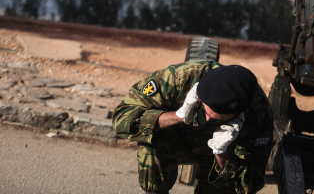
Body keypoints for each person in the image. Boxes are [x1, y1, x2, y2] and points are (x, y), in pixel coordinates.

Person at [112, 61, 274, 194]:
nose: (208, 119)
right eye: (204, 112)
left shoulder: (259, 114)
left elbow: (251, 183)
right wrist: (179, 116)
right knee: (152, 135)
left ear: (242, 111)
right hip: (177, 142)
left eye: (217, 120)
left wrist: (221, 152)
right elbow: (121, 119)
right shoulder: (178, 78)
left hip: (216, 158)